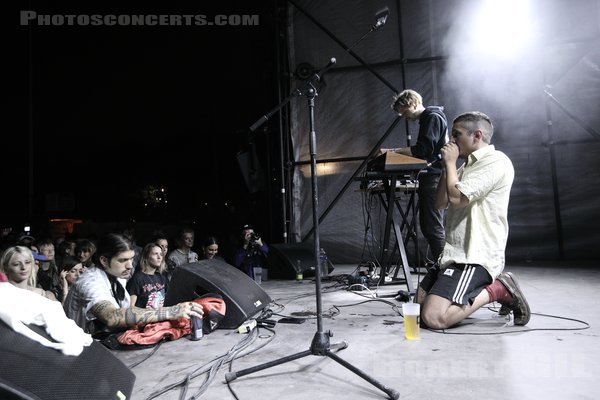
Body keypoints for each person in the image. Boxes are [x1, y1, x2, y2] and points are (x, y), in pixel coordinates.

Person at [416, 111, 530, 329]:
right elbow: (441, 203)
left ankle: (500, 289)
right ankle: (469, 292)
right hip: (454, 254)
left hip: (475, 255)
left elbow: (457, 199)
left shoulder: (495, 161)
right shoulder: (466, 165)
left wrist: (450, 164)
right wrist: (445, 167)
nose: (452, 141)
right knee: (419, 306)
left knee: (434, 318)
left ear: (476, 135)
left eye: (457, 135)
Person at [63, 233, 203, 338]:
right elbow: (112, 317)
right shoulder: (90, 281)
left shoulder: (118, 277)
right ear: (104, 260)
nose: (130, 266)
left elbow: (128, 314)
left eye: (131, 259)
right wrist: (172, 311)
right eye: (123, 260)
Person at [381, 89, 448, 264]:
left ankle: (444, 269)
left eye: (405, 112)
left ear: (413, 103)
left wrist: (394, 152)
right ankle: (441, 267)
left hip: (435, 177)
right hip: (431, 177)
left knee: (433, 226)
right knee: (428, 226)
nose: (405, 117)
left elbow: (422, 150)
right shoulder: (429, 118)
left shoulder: (432, 117)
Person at [126, 243, 169, 309]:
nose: (159, 257)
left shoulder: (162, 278)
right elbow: (131, 307)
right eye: (155, 254)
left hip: (161, 317)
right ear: (146, 257)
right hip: (144, 318)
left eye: (161, 254)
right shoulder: (137, 278)